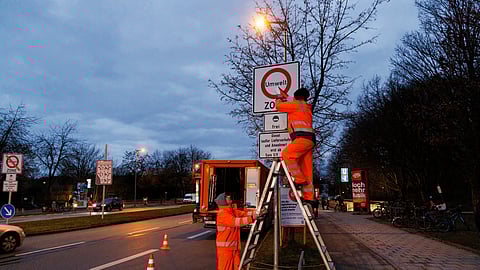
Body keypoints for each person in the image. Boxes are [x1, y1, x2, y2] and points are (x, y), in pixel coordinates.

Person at [275, 87, 315, 203]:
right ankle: (309, 197)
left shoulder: (296, 105)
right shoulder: (305, 106)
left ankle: (299, 179)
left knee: (287, 154)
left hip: (301, 138)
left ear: (296, 97)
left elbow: (279, 107)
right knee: (307, 169)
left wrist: (278, 98)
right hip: (309, 140)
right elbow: (292, 100)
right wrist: (286, 96)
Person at [215, 193, 260, 270]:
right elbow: (235, 222)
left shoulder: (232, 211)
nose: (229, 197)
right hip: (226, 251)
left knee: (237, 267)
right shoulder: (223, 214)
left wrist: (255, 213)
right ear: (224, 201)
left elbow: (244, 214)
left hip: (234, 249)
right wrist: (252, 218)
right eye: (226, 197)